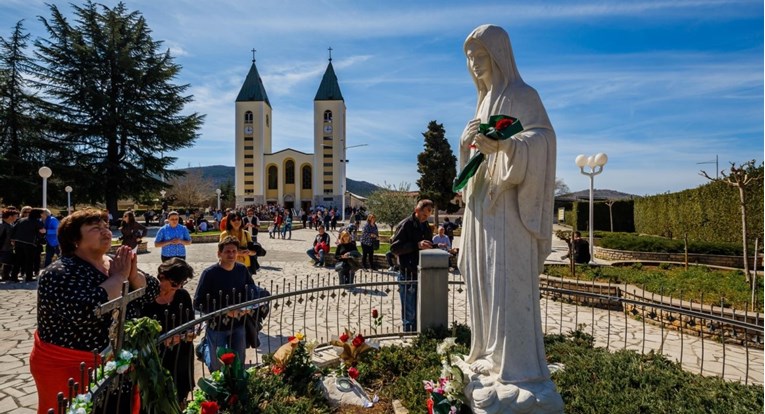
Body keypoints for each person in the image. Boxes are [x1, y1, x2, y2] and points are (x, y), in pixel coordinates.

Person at [457, 24, 560, 406]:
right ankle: (487, 354)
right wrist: (466, 143)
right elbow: (472, 157)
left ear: (498, 56)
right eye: (469, 58)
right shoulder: (482, 102)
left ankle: (516, 367)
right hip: (484, 207)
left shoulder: (523, 95)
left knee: (506, 285)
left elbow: (543, 140)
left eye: (479, 56)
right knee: (483, 280)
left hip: (510, 213)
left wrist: (507, 147)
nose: (473, 64)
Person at [30, 209, 159, 414]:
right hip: (72, 368)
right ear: (74, 240)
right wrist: (118, 278)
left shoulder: (112, 263)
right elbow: (86, 311)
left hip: (118, 364)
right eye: (95, 228)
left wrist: (133, 276)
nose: (106, 232)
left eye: (106, 227)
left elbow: (152, 290)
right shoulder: (59, 273)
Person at [193, 237, 262, 372]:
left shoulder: (242, 270)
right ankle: (204, 349)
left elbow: (251, 290)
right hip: (217, 325)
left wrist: (248, 307)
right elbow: (198, 302)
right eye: (227, 252)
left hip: (238, 322)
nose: (231, 255)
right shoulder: (209, 274)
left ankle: (235, 386)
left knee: (238, 361)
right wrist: (224, 311)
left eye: (234, 251)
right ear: (219, 254)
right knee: (216, 365)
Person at [141, 258, 195, 406]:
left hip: (181, 354)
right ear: (162, 276)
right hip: (157, 358)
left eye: (181, 284)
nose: (177, 288)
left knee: (181, 394)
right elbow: (141, 331)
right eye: (174, 284)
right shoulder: (147, 299)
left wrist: (186, 335)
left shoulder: (183, 296)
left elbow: (191, 324)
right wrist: (161, 339)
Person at [390, 199, 434, 332]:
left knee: (420, 308)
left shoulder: (425, 226)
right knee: (409, 312)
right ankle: (409, 335)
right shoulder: (405, 225)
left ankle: (417, 336)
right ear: (417, 210)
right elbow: (395, 248)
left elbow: (427, 244)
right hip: (407, 273)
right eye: (424, 215)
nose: (426, 218)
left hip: (421, 272)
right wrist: (416, 246)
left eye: (428, 215)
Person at [10, 207, 44, 282]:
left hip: (18, 243)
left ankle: (13, 276)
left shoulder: (21, 220)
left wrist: (13, 239)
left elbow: (14, 229)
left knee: (18, 260)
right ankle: (29, 277)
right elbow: (40, 233)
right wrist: (43, 233)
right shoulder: (37, 222)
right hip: (30, 243)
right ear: (37, 214)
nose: (42, 215)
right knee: (29, 261)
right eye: (41, 213)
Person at [0, 208, 18, 281]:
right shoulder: (2, 225)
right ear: (10, 217)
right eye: (16, 216)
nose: (17, 217)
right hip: (2, 247)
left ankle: (6, 276)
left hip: (7, 247)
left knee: (8, 262)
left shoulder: (10, 224)